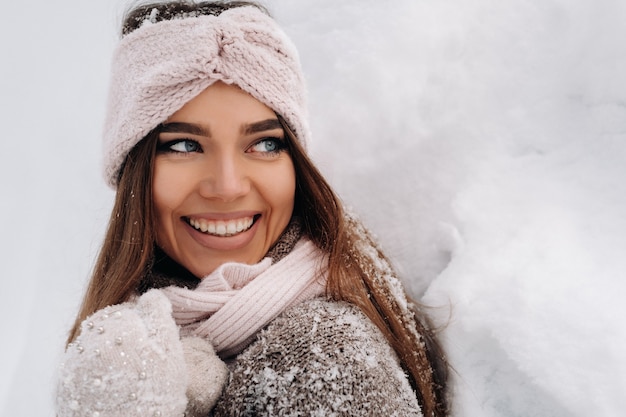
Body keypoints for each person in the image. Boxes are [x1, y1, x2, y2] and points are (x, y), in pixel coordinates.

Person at [55, 1, 449, 416]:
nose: (227, 187)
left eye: (264, 144)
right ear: (132, 172)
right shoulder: (132, 339)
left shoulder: (321, 355)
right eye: (185, 145)